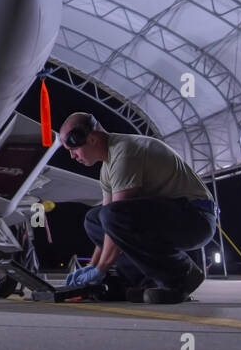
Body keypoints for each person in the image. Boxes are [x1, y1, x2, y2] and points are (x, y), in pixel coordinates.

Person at [59, 112, 216, 303]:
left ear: (92, 138)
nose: (72, 156)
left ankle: (180, 276)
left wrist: (100, 269)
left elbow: (115, 217)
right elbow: (107, 227)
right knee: (94, 219)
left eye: (73, 149)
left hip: (195, 218)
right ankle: (144, 281)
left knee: (113, 215)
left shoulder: (125, 152)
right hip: (169, 216)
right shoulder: (106, 169)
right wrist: (92, 267)